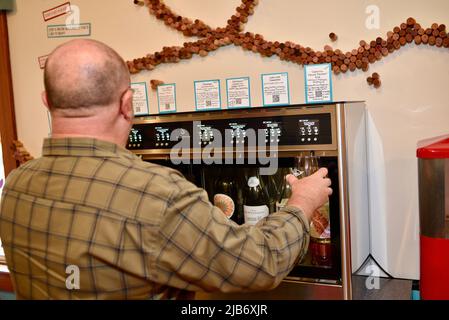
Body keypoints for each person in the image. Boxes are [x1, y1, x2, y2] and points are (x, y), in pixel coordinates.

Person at [0, 39, 332, 300]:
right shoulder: (156, 195)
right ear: (127, 103)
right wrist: (301, 203)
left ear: (47, 101)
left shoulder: (15, 186)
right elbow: (259, 264)